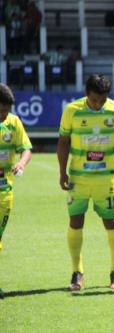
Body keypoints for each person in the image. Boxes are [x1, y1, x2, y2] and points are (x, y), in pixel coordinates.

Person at [57, 74, 114, 292]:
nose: (98, 105)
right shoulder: (72, 110)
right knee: (75, 221)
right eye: (93, 100)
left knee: (111, 222)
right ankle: (77, 272)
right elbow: (63, 142)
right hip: (78, 179)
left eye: (101, 100)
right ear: (86, 94)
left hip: (106, 179)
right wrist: (62, 172)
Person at [0, 83, 32, 299]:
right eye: (1, 110)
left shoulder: (13, 123)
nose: (5, 115)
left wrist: (21, 163)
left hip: (4, 192)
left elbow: (26, 149)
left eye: (7, 110)